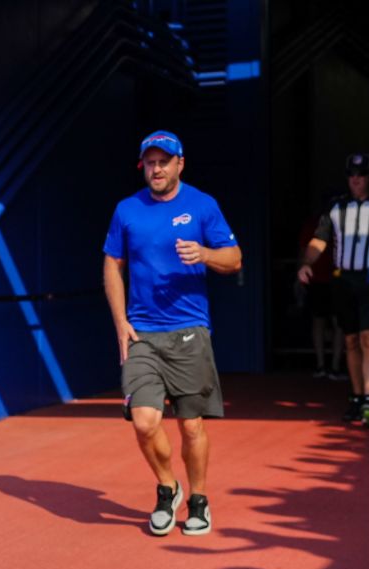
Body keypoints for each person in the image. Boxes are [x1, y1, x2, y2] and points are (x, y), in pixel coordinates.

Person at [102, 130, 243, 538]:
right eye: (150, 161)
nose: (157, 168)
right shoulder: (127, 210)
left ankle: (198, 498)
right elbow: (112, 265)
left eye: (164, 161)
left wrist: (205, 254)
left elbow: (234, 258)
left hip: (189, 333)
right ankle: (168, 487)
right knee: (145, 422)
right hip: (141, 333)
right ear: (142, 166)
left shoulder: (203, 205)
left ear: (180, 164)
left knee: (192, 425)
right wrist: (119, 323)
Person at [299, 153, 369, 427]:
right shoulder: (336, 208)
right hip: (343, 280)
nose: (356, 179)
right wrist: (306, 264)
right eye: (352, 175)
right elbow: (319, 240)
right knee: (351, 340)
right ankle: (356, 397)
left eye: (362, 175)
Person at [295, 211, 344, 379]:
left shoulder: (344, 219)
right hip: (316, 278)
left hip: (339, 278)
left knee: (340, 324)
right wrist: (302, 271)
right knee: (319, 321)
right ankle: (320, 365)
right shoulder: (312, 225)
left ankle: (335, 367)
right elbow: (304, 250)